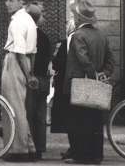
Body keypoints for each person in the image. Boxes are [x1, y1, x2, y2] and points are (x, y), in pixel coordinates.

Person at [63, 0, 114, 166]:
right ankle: (96, 156)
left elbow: (83, 59)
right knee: (95, 121)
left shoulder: (78, 35)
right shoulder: (101, 35)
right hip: (95, 85)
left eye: (74, 16)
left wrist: (93, 74)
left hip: (79, 83)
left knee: (77, 120)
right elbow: (111, 60)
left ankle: (80, 156)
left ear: (78, 19)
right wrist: (103, 74)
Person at [1, 0, 37, 162]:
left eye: (11, 0)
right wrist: (30, 72)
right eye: (6, 0)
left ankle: (18, 150)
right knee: (19, 106)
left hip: (15, 61)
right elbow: (32, 52)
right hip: (25, 63)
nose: (7, 4)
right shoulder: (29, 20)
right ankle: (28, 147)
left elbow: (20, 51)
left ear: (21, 2)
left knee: (12, 107)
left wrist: (28, 75)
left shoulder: (17, 22)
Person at [25, 3, 52, 161]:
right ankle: (40, 148)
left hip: (33, 79)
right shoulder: (44, 36)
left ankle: (31, 148)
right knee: (41, 115)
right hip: (43, 79)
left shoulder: (29, 35)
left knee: (28, 113)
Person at [51, 18, 77, 159]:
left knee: (69, 118)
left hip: (66, 84)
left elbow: (57, 64)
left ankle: (73, 148)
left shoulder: (68, 42)